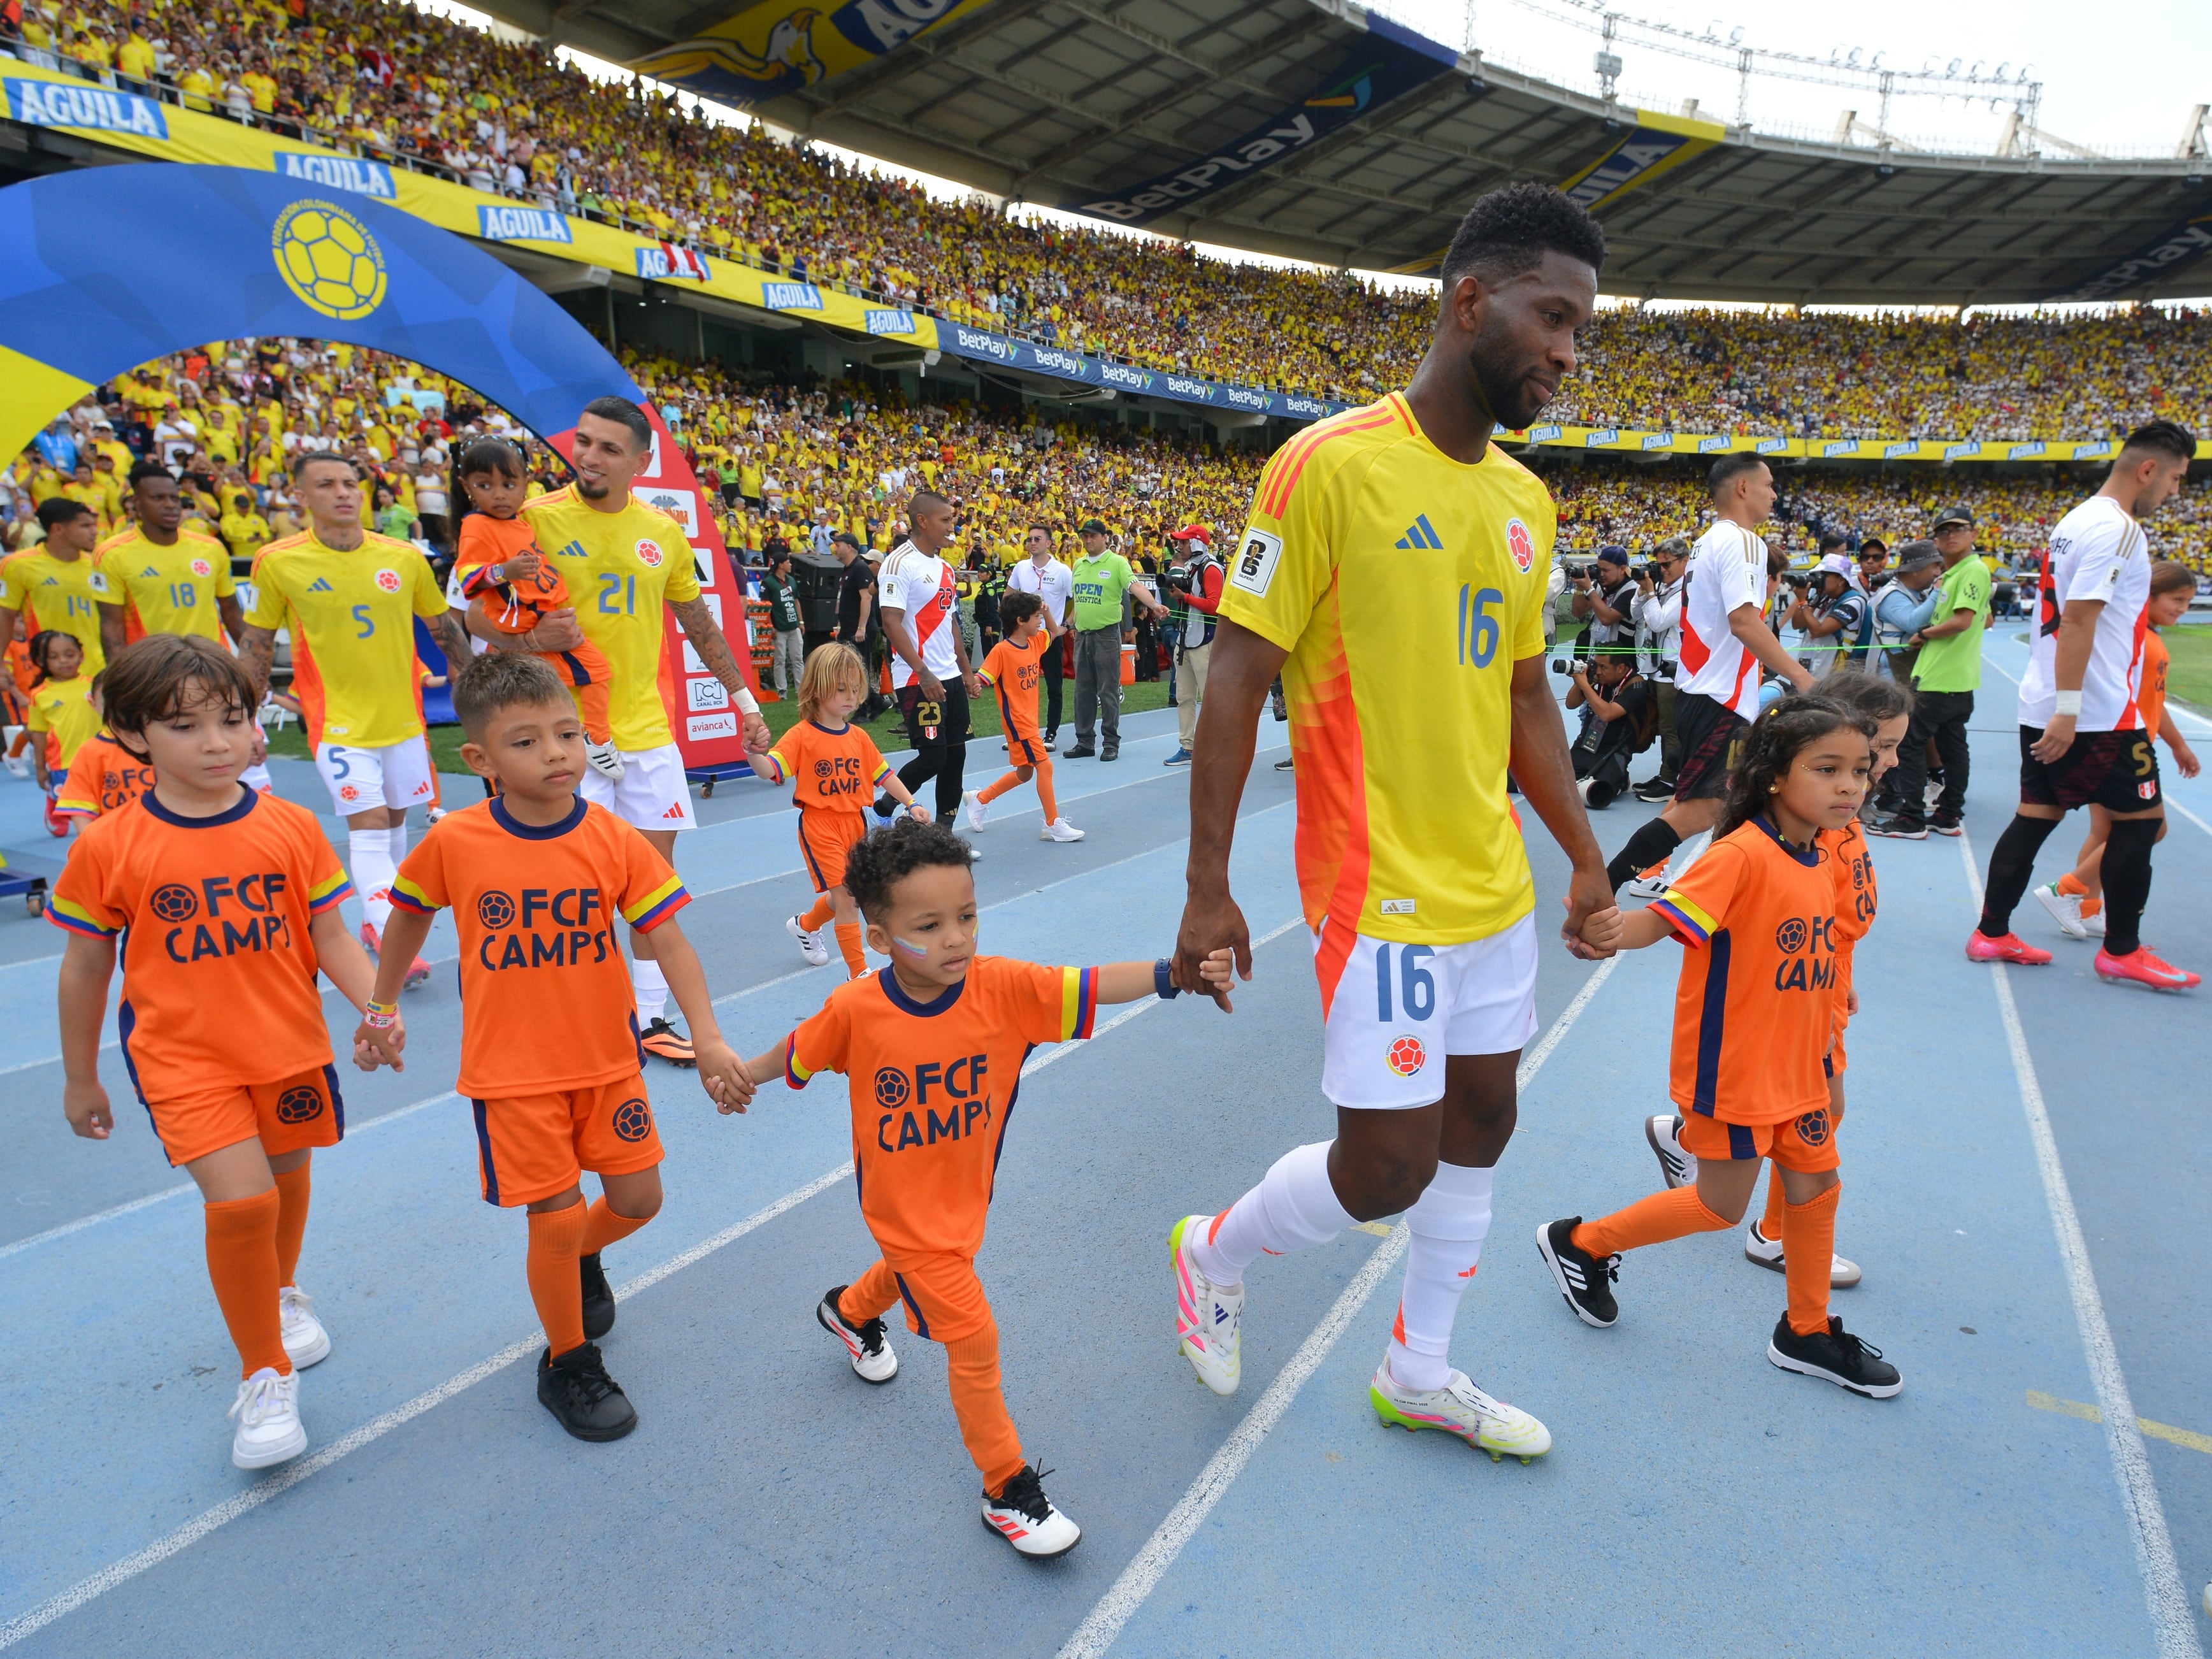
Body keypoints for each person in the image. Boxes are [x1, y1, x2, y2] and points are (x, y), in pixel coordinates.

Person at [1166, 183, 1621, 1459]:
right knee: (1383, 1170)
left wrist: (1582, 858)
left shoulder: (1526, 506)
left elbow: (1525, 693)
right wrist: (1209, 884)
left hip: (1494, 892)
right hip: (1379, 896)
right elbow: (1239, 675)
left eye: (1580, 330)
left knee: (1483, 1122)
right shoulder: (1328, 466)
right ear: (1468, 301)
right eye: (1551, 317)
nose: (1566, 353)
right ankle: (1211, 1250)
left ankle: (1417, 1369)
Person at [735, 817, 1236, 1556]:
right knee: (974, 1337)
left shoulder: (1002, 990)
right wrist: (743, 1076)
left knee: (916, 1275)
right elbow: (800, 1050)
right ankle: (1005, 1490)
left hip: (962, 1206)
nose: (956, 938)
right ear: (878, 938)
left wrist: (1175, 973)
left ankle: (847, 1311)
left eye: (966, 916)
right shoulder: (857, 1011)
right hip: (902, 1213)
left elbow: (1089, 984)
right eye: (930, 925)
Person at [355, 652, 750, 1440]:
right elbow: (406, 919)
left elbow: (667, 940)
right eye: (527, 742)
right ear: (480, 761)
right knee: (555, 1214)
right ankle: (566, 1359)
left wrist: (706, 1036)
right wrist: (380, 1006)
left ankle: (575, 1260)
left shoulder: (612, 838)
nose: (558, 754)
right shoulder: (457, 841)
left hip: (608, 1064)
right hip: (513, 1078)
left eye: (567, 734)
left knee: (639, 1202)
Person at [54, 634, 383, 1469]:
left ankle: (280, 1291)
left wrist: (377, 1005)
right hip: (182, 1058)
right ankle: (264, 1373)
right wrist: (80, 1074)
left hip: (287, 1045)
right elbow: (87, 963)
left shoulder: (290, 825)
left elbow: (330, 934)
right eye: (185, 726)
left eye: (232, 720)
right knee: (241, 1204)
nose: (218, 743)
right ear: (131, 736)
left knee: (288, 1178)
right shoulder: (109, 846)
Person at [1538, 694, 1902, 1398]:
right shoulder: (1740, 855)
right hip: (1737, 1072)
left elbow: (1813, 937)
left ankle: (1806, 1329)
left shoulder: (1823, 851)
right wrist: (1609, 929)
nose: (1851, 785)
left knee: (1818, 1187)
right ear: (1773, 776)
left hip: (1804, 1064)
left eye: (1859, 769)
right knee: (1718, 1207)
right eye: (1827, 769)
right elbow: (1664, 922)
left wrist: (1832, 992)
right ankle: (1579, 1243)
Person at [477, 398, 771, 1066]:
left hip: (645, 734)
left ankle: (648, 1016)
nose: (589, 457)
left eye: (609, 448)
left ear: (641, 462)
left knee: (651, 882)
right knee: (569, 885)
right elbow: (474, 618)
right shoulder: (534, 518)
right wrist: (525, 635)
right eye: (583, 443)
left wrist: (744, 702)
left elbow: (697, 624)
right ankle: (576, 1014)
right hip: (563, 739)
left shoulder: (662, 532)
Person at [1645, 670, 1911, 1289]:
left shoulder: (1835, 823)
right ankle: (1767, 1234)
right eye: (1883, 750)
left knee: (1803, 1122)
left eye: (1881, 756)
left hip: (1818, 996)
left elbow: (1826, 917)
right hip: (1792, 1012)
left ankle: (1689, 1143)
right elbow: (1692, 921)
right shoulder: (1785, 838)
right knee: (1812, 1116)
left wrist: (1836, 980)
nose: (1887, 765)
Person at [1970, 422, 2199, 989]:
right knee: (2142, 824)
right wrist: (2071, 710)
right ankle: (2122, 948)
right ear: (2148, 470)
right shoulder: (2119, 529)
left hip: (2045, 700)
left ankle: (1992, 931)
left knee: (2035, 817)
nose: (2174, 492)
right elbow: (2078, 619)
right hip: (2095, 712)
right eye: (2174, 478)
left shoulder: (2074, 520)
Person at [238, 452, 472, 989]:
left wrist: (480, 695)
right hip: (337, 725)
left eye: (350, 482)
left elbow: (444, 632)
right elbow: (254, 649)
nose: (343, 492)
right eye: (326, 484)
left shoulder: (403, 557)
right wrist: (244, 721)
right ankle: (395, 935)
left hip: (404, 722)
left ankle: (372, 921)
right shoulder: (278, 561)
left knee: (394, 825)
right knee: (366, 831)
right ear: (302, 497)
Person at [1602, 456, 1816, 895]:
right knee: (1704, 809)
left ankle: (1731, 890)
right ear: (1742, 487)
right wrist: (1804, 678)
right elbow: (1744, 622)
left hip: (1699, 693)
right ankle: (1605, 885)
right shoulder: (1744, 542)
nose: (1775, 495)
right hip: (1720, 699)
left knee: (1725, 801)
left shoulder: (1706, 543)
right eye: (1769, 485)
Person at [2034, 561, 2201, 940]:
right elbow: (2135, 702)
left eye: (2188, 603)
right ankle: (2067, 890)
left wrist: (2178, 745)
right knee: (2151, 827)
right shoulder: (2140, 641)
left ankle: (2090, 908)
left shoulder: (2146, 639)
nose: (2182, 609)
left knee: (2104, 830)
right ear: (2149, 595)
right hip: (2122, 742)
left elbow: (2153, 702)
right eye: (2176, 599)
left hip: (2123, 739)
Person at [746, 642, 926, 980]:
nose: (849, 697)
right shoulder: (802, 736)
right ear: (817, 690)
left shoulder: (858, 736)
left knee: (851, 892)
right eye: (840, 689)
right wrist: (753, 752)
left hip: (856, 824)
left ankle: (805, 925)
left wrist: (912, 803)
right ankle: (858, 974)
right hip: (820, 826)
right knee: (847, 898)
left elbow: (884, 774)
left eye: (855, 689)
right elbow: (770, 769)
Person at [451, 438, 622, 782]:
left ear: (525, 485)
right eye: (485, 486)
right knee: (588, 674)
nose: (498, 495)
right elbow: (467, 575)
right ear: (467, 487)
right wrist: (504, 572)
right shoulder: (477, 525)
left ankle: (578, 740)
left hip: (545, 616)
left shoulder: (521, 522)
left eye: (508, 485)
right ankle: (595, 739)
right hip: (528, 619)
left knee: (553, 691)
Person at [1869, 505, 1987, 838]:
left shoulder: (1969, 571)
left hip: (1939, 676)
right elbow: (1983, 618)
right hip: (1957, 676)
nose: (1950, 536)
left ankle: (1912, 818)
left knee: (1910, 745)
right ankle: (1948, 815)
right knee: (1953, 746)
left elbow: (1962, 621)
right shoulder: (1959, 574)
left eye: (1957, 529)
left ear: (1973, 534)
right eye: (1943, 531)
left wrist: (1924, 635)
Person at [874, 489, 981, 827]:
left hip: (950, 676)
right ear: (923, 521)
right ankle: (887, 804)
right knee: (934, 758)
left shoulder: (946, 568)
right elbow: (891, 622)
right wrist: (924, 673)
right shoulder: (898, 563)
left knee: (956, 757)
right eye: (946, 520)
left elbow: (951, 623)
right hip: (917, 677)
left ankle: (945, 833)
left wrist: (966, 672)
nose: (953, 527)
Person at [961, 590, 1082, 842]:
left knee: (1025, 773)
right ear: (1020, 620)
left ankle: (979, 799)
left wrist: (1047, 611)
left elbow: (1057, 631)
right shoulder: (1002, 651)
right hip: (1018, 723)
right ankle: (1053, 824)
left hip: (1030, 721)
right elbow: (983, 678)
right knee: (1046, 767)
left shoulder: (1036, 642)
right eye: (1036, 617)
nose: (1040, 621)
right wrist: (973, 685)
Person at [95, 463, 243, 656]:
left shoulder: (211, 548)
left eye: (174, 498)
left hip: (211, 665)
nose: (171, 505)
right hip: (153, 669)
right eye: (159, 498)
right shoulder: (111, 554)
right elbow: (112, 627)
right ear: (137, 504)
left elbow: (231, 611)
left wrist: (254, 668)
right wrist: (120, 681)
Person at [1064, 517, 1167, 761]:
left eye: (1093, 536)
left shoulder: (1117, 562)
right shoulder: (1078, 565)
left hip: (1106, 634)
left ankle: (1111, 742)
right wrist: (1067, 624)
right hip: (1083, 634)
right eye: (1085, 536)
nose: (1088, 540)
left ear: (1104, 538)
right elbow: (1080, 601)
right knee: (1083, 691)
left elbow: (1135, 586)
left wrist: (1153, 604)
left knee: (1108, 689)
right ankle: (1085, 741)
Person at [1, 497, 110, 679]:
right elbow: (5, 615)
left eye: (94, 525)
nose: (94, 532)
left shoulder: (98, 565)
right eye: (85, 526)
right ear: (58, 529)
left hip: (99, 671)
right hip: (49, 675)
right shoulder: (17, 565)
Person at [1628, 537, 1688, 801]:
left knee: (1670, 727)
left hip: (1673, 669)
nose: (1662, 570)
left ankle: (1670, 781)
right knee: (1657, 724)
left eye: (1668, 565)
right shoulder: (1664, 587)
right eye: (1659, 565)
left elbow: (1659, 622)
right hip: (1656, 667)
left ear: (1685, 561)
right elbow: (1635, 614)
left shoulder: (1688, 589)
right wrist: (1643, 590)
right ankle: (1665, 774)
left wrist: (1651, 592)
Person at [1003, 525, 1072, 748]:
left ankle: (1050, 734)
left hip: (1049, 637)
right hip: (1024, 637)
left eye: (1038, 539)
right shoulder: (1021, 567)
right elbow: (1008, 597)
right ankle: (1019, 733)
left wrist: (1064, 627)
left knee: (1054, 686)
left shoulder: (1062, 570)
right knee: (1018, 686)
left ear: (1049, 543)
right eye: (1029, 539)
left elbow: (1078, 601)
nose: (1032, 543)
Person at [25, 631, 100, 832]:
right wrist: (41, 768)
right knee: (76, 808)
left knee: (97, 810)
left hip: (98, 757)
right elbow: (38, 734)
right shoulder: (39, 695)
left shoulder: (94, 685)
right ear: (43, 660)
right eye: (54, 657)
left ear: (81, 656)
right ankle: (54, 802)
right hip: (65, 762)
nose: (63, 661)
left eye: (69, 654)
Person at [1163, 523, 1224, 767]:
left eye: (1184, 542)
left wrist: (1184, 597)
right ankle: (1188, 745)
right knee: (1184, 697)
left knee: (1210, 698)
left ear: (1196, 543)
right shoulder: (1192, 567)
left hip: (1204, 642)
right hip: (1186, 640)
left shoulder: (1210, 569)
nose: (1180, 546)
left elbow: (1215, 605)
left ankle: (1216, 747)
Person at [1564, 650, 1651, 809]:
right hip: (1586, 745)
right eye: (1596, 665)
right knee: (1559, 784)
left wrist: (1584, 684)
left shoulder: (1637, 685)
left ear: (1621, 668)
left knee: (1597, 794)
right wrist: (1581, 681)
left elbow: (1607, 714)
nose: (1598, 671)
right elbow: (1570, 704)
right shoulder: (1596, 679)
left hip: (1615, 750)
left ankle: (1622, 779)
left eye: (1603, 667)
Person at [1788, 550, 1874, 677]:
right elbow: (1796, 624)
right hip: (1810, 669)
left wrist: (1802, 602)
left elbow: (1818, 631)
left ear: (1841, 580)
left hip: (1833, 677)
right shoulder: (1823, 598)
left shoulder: (1854, 601)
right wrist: (1806, 598)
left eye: (1824, 575)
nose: (1819, 579)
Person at [1569, 543, 1637, 669]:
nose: (1601, 574)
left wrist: (1589, 589)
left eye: (1606, 570)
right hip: (1596, 658)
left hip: (1621, 665)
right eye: (1599, 569)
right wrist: (1579, 587)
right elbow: (1578, 612)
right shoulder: (1599, 585)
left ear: (1622, 569)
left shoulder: (1633, 590)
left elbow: (1607, 619)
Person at [760, 545, 806, 696]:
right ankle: (782, 690)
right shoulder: (768, 582)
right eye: (788, 562)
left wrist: (801, 622)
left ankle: (801, 690)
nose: (790, 565)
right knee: (780, 660)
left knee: (798, 658)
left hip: (793, 626)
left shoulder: (791, 580)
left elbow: (796, 601)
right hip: (778, 627)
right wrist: (770, 626)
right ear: (781, 565)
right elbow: (765, 606)